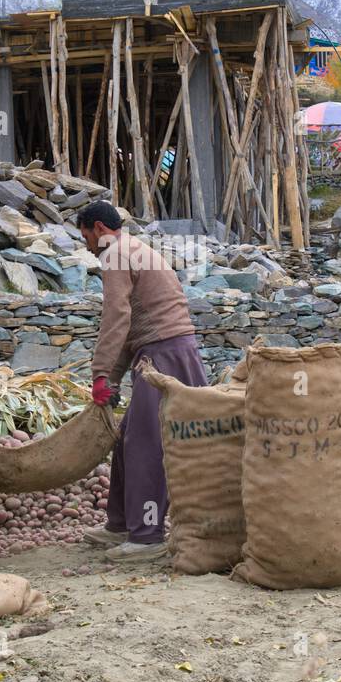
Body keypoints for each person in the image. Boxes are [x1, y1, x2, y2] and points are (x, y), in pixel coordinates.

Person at [78, 201, 207, 563]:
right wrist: (111, 378)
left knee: (146, 444)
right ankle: (121, 524)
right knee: (127, 439)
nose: (87, 246)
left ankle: (148, 536)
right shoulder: (135, 248)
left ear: (99, 228)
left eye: (86, 237)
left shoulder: (114, 253)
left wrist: (100, 374)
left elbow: (116, 317)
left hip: (162, 355)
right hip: (169, 350)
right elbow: (129, 326)